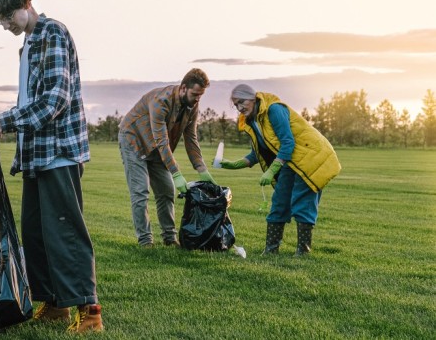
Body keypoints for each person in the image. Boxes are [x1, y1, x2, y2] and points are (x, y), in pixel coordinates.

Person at [0, 0, 103, 333]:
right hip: (36, 155)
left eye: (6, 17)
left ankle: (90, 311)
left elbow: (55, 99)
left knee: (65, 233)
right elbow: (31, 101)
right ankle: (54, 305)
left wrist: (6, 121)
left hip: (59, 153)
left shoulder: (52, 33)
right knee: (36, 234)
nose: (4, 25)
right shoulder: (29, 44)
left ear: (25, 3)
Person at [218, 84, 340, 256]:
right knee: (279, 203)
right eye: (236, 105)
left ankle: (303, 251)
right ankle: (271, 250)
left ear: (252, 98)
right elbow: (258, 152)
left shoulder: (273, 110)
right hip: (290, 161)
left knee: (302, 202)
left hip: (310, 157)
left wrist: (272, 169)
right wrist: (235, 164)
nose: (239, 107)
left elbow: (287, 142)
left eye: (241, 102)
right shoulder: (253, 121)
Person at [118, 68, 216, 248]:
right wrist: (176, 173)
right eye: (195, 94)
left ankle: (170, 239)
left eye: (201, 95)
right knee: (140, 192)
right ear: (183, 88)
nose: (197, 99)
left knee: (167, 191)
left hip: (156, 147)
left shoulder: (192, 107)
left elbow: (191, 139)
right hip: (134, 140)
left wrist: (201, 168)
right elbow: (162, 141)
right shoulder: (160, 101)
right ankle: (145, 241)